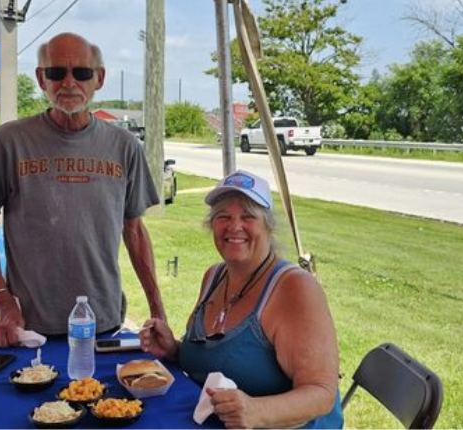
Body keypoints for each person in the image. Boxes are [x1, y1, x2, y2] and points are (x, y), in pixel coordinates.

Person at [0, 32, 166, 347]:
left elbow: (135, 231)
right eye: (56, 72)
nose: (69, 83)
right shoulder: (11, 142)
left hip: (102, 321)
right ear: (41, 79)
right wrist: (1, 300)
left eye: (82, 73)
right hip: (30, 327)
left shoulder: (125, 147)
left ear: (98, 79)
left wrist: (158, 309)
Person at [139, 170, 343, 429]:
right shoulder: (214, 276)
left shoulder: (295, 287)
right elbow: (218, 363)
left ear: (268, 225)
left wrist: (256, 411)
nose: (234, 227)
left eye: (248, 216)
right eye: (223, 217)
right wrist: (174, 350)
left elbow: (322, 393)